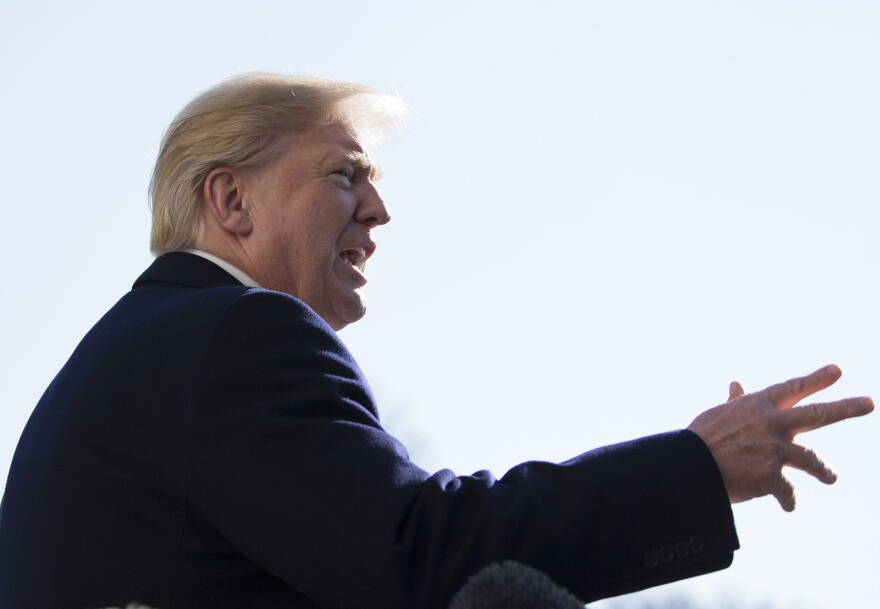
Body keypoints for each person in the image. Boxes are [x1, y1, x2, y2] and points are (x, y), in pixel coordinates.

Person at [0, 73, 872, 609]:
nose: (378, 212)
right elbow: (420, 557)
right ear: (231, 204)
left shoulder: (127, 359)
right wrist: (695, 468)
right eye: (346, 176)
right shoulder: (238, 334)